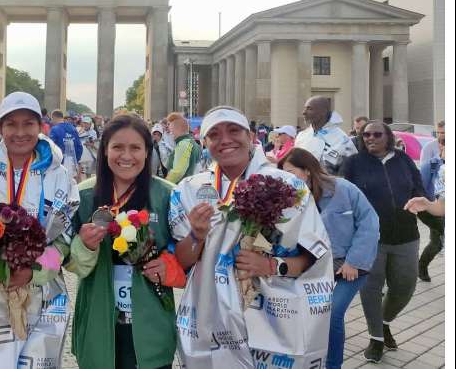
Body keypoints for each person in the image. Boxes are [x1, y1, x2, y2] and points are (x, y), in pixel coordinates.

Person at [170, 106, 333, 368]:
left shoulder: (289, 187)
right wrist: (197, 236)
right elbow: (182, 260)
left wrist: (271, 265)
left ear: (251, 136)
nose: (225, 140)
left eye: (234, 130)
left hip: (276, 318)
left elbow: (314, 258)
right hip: (211, 317)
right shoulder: (187, 191)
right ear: (205, 142)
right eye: (214, 134)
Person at [0, 92, 79, 369]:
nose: (20, 133)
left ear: (41, 127)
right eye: (12, 125)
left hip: (39, 297)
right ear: (0, 128)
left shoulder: (59, 176)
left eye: (28, 124)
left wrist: (34, 270)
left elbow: (64, 242)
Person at [69, 114, 181, 369]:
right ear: (105, 149)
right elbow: (64, 259)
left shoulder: (168, 195)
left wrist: (167, 266)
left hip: (151, 325)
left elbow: (183, 254)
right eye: (117, 147)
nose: (126, 156)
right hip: (98, 322)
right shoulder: (83, 196)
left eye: (135, 148)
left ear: (147, 151)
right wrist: (84, 246)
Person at [279, 148, 379, 369]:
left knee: (332, 314)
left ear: (306, 170)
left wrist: (354, 261)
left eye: (290, 172)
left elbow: (370, 223)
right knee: (307, 314)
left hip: (349, 265)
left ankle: (333, 365)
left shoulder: (343, 188)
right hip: (313, 266)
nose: (286, 178)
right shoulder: (290, 197)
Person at [341, 120, 425, 363]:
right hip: (370, 239)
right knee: (371, 290)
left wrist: (424, 205)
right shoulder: (354, 163)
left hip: (407, 235)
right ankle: (376, 338)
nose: (370, 138)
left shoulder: (403, 160)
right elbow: (344, 198)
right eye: (365, 134)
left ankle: (384, 322)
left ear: (388, 137)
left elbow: (418, 188)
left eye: (377, 134)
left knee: (404, 287)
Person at [296, 96, 357, 174]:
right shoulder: (302, 135)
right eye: (305, 108)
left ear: (323, 112)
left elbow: (351, 171)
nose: (304, 112)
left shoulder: (343, 140)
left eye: (309, 109)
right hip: (302, 185)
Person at [416, 122, 445, 282]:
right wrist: (431, 204)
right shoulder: (432, 165)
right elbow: (420, 187)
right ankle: (421, 266)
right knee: (439, 239)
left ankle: (421, 266)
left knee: (438, 242)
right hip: (430, 208)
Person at [164, 112, 200, 184]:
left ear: (175, 128)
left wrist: (164, 184)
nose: (168, 131)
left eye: (169, 125)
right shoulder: (192, 143)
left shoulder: (184, 144)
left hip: (180, 189)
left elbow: (178, 172)